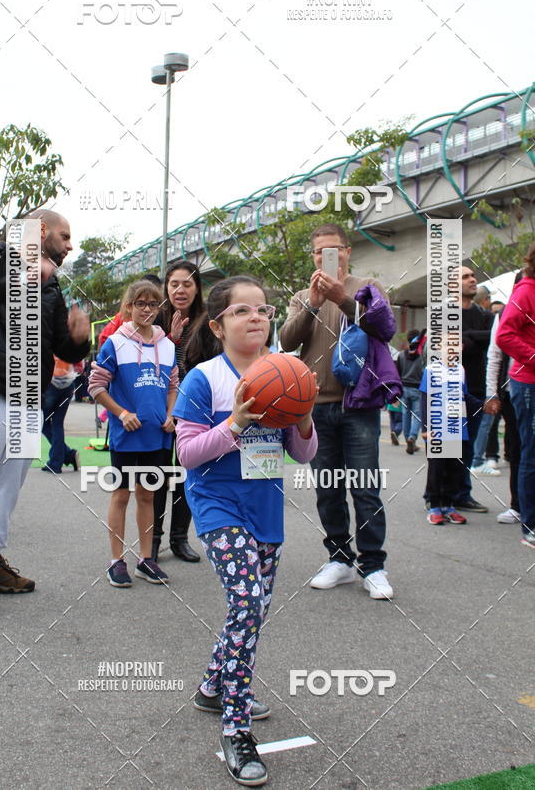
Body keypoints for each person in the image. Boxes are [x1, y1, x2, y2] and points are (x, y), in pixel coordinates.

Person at [173, 275, 318, 787]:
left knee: (254, 609)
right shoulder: (203, 379)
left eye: (263, 309)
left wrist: (302, 416)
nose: (256, 317)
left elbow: (303, 454)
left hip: (265, 506)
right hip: (216, 503)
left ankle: (213, 686)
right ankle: (236, 729)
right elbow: (187, 454)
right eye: (242, 311)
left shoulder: (288, 371)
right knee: (247, 604)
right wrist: (232, 423)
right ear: (217, 324)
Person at [0, 210, 90, 617]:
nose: (69, 245)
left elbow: (65, 346)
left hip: (28, 396)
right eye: (65, 236)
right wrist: (24, 275)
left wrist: (80, 341)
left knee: (8, 489)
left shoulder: (54, 287)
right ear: (41, 232)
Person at [280, 224, 396, 600]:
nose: (326, 257)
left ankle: (374, 565)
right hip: (315, 407)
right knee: (328, 488)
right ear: (312, 257)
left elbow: (383, 326)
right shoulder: (302, 295)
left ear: (347, 251)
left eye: (334, 250)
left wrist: (343, 298)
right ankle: (340, 559)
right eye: (319, 252)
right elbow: (287, 340)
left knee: (365, 489)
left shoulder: (368, 286)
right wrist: (315, 302)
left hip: (359, 405)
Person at [89, 279, 178, 586]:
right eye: (140, 304)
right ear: (128, 307)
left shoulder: (168, 347)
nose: (147, 309)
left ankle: (146, 559)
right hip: (126, 436)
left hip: (158, 435)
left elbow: (173, 387)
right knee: (121, 495)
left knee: (148, 495)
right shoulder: (114, 343)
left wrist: (171, 415)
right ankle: (116, 561)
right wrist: (122, 413)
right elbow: (96, 386)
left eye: (153, 304)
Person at [153, 260, 206, 563]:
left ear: (197, 288)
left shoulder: (208, 321)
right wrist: (170, 341)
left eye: (187, 283)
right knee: (159, 473)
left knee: (186, 472)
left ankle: (179, 539)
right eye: (174, 284)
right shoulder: (155, 319)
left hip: (195, 407)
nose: (180, 289)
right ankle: (154, 538)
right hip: (160, 406)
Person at [496, 247, 535, 549]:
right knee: (531, 454)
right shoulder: (525, 292)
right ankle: (530, 525)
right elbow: (504, 335)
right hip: (529, 384)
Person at [453, 266, 494, 512]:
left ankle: (462, 494)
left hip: (477, 389)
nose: (472, 280)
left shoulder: (484, 314)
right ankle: (437, 496)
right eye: (464, 277)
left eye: (472, 276)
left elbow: (494, 337)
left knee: (467, 446)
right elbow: (449, 343)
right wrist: (475, 340)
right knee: (448, 446)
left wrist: (468, 336)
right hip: (450, 390)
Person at [420, 342, 469, 526]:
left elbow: (464, 397)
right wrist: (425, 428)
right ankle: (434, 506)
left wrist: (484, 404)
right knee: (437, 467)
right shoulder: (431, 369)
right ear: (440, 349)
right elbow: (424, 399)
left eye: (456, 346)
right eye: (448, 346)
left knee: (454, 468)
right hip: (437, 427)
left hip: (456, 427)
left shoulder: (461, 370)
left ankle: (449, 505)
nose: (452, 349)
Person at [483, 294, 521, 525]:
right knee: (516, 450)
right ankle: (518, 505)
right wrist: (492, 393)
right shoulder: (504, 314)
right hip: (511, 393)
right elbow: (494, 355)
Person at [41, 357, 80, 474]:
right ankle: (61, 458)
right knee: (57, 424)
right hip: (68, 383)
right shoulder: (68, 341)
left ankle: (62, 458)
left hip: (51, 382)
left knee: (43, 422)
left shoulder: (49, 340)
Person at [396, 329, 425, 455]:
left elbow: (398, 371)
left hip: (404, 387)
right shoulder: (422, 355)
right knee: (418, 416)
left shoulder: (401, 354)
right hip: (417, 388)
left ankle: (408, 437)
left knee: (405, 414)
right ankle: (412, 437)